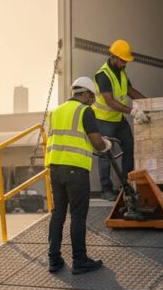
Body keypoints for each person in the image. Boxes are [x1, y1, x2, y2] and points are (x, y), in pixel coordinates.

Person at [45, 77, 112, 274]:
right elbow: (97, 143)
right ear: (84, 94)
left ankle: (54, 260)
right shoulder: (85, 111)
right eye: (91, 97)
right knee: (78, 216)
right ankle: (80, 260)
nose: (92, 101)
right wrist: (106, 144)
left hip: (55, 168)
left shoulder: (55, 111)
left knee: (58, 213)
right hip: (75, 170)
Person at [93, 39, 149, 201]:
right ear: (114, 57)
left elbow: (130, 91)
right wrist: (132, 111)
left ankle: (126, 184)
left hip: (118, 119)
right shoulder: (103, 75)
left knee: (129, 146)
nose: (126, 63)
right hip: (103, 120)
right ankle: (106, 190)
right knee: (105, 154)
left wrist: (149, 103)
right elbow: (110, 101)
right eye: (123, 60)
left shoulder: (122, 72)